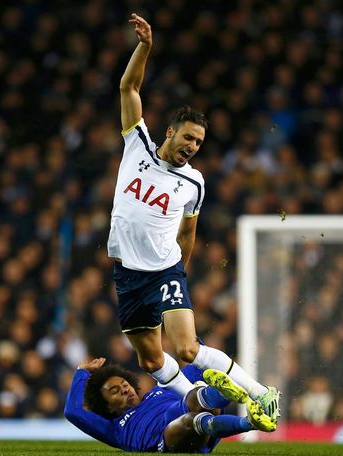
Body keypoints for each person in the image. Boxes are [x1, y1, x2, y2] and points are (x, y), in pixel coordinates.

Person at [107, 13, 280, 424]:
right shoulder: (138, 145)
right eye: (188, 137)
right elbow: (128, 87)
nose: (192, 147)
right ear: (169, 132)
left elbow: (188, 233)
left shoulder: (195, 183)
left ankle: (261, 393)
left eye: (199, 142)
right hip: (126, 274)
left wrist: (177, 276)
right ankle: (197, 403)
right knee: (151, 359)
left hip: (164, 271)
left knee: (185, 348)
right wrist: (145, 47)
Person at [64, 357, 275, 453]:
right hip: (168, 441)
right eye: (115, 392)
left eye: (124, 384)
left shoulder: (159, 391)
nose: (125, 389)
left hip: (193, 415)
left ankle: (223, 395)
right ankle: (249, 421)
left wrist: (194, 348)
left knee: (190, 396)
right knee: (188, 419)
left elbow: (197, 360)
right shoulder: (112, 429)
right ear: (107, 407)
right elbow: (73, 412)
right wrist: (82, 371)